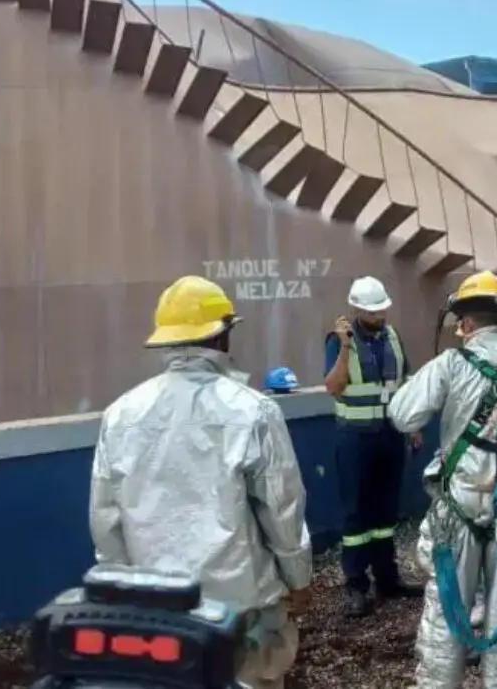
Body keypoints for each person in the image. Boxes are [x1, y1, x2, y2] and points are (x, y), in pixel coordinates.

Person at [89, 275, 312, 689]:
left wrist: (122, 593)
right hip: (241, 605)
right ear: (222, 336)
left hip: (160, 608)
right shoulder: (254, 411)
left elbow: (106, 518)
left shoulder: (120, 415)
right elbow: (281, 509)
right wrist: (298, 578)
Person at [389, 270, 497, 689]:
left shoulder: (451, 364)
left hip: (459, 510)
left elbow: (403, 414)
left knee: (446, 618)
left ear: (465, 322)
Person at [323, 275, 423, 618]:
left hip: (390, 435)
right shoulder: (339, 341)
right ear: (357, 309)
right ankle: (355, 585)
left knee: (385, 512)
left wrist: (411, 425)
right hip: (355, 437)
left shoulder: (393, 336)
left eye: (382, 310)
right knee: (356, 513)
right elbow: (334, 387)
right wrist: (346, 346)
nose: (380, 316)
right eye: (372, 311)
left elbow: (404, 382)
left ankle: (387, 579)